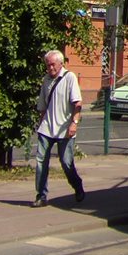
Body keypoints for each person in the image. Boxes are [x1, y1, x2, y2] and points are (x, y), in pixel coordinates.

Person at [33, 50, 85, 207]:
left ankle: (77, 186)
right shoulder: (46, 80)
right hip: (47, 129)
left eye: (52, 64)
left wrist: (74, 123)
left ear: (61, 63)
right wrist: (42, 122)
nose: (50, 68)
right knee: (41, 161)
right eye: (47, 65)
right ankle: (41, 196)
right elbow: (42, 106)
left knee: (66, 162)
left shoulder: (70, 78)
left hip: (65, 129)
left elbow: (77, 103)